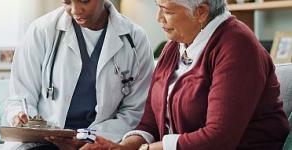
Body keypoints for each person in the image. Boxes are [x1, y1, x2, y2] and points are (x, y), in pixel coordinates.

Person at [77, 0, 290, 150]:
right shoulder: (174, 46)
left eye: (167, 11)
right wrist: (124, 146)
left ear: (201, 12)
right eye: (158, 7)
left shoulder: (237, 46)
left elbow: (219, 139)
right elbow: (150, 122)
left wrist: (151, 149)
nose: (158, 18)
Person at [5, 0, 154, 149]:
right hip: (43, 141)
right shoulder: (41, 30)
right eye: (67, 2)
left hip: (100, 141)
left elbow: (134, 111)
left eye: (84, 1)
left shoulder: (135, 39)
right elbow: (20, 96)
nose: (75, 10)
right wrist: (22, 117)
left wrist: (89, 138)